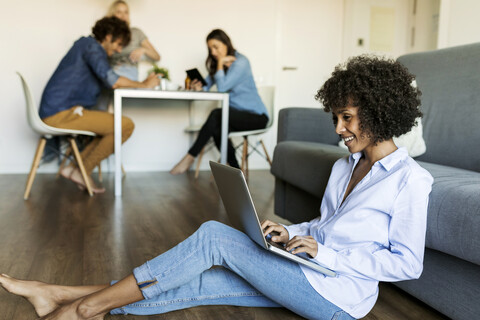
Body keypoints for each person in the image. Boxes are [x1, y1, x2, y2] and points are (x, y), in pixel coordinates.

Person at [0, 55, 433, 319]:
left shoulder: (411, 180)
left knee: (212, 239)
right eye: (336, 117)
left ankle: (81, 310)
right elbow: (327, 226)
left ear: (378, 112)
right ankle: (61, 296)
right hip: (311, 272)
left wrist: (326, 254)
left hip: (340, 299)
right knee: (203, 281)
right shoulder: (346, 167)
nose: (338, 129)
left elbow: (408, 264)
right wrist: (293, 233)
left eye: (348, 118)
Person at [40, 16, 159, 194]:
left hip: (63, 111)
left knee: (110, 129)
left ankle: (74, 168)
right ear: (108, 36)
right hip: (60, 113)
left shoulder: (86, 46)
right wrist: (144, 84)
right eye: (118, 44)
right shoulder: (92, 47)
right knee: (125, 125)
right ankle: (80, 170)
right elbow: (113, 80)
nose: (119, 50)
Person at [170, 29, 269, 175]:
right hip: (235, 116)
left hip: (256, 117)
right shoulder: (218, 65)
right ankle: (236, 172)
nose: (213, 52)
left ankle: (190, 157)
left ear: (226, 43)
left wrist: (221, 63)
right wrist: (198, 87)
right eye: (210, 49)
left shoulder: (241, 62)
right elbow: (206, 86)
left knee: (217, 115)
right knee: (217, 127)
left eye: (216, 47)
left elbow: (222, 87)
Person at [107, 0, 160, 81]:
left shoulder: (136, 33)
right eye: (119, 12)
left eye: (126, 12)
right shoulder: (107, 34)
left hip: (131, 77)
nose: (123, 16)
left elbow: (157, 57)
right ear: (112, 14)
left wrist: (143, 50)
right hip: (113, 75)